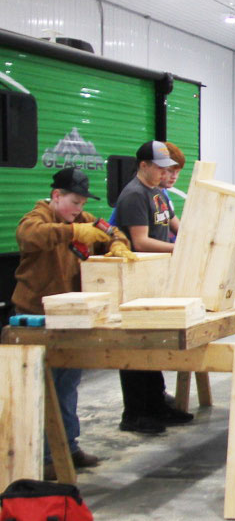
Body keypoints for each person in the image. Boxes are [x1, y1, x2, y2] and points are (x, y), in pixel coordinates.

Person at [13, 168, 133, 474]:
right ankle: (44, 457)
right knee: (44, 387)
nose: (79, 210)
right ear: (56, 196)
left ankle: (68, 446)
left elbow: (111, 230)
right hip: (37, 316)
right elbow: (29, 236)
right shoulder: (36, 219)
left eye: (82, 204)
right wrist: (74, 233)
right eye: (74, 202)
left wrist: (117, 244)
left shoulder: (83, 219)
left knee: (67, 385)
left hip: (71, 315)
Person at [114, 141, 188, 434]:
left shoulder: (158, 193)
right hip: (137, 279)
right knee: (135, 343)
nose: (164, 173)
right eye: (159, 167)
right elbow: (141, 242)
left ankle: (156, 405)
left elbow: (175, 225)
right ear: (143, 165)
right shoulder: (134, 194)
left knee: (152, 342)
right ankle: (134, 413)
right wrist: (180, 249)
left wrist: (197, 236)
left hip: (156, 277)